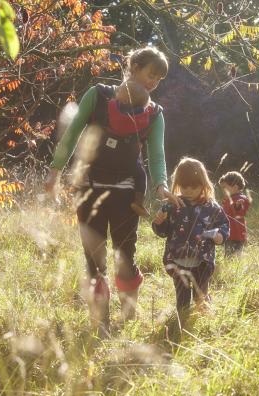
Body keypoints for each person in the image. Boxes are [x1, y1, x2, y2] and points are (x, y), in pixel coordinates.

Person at [44, 47, 182, 336]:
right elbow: (71, 135)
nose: (153, 82)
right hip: (88, 189)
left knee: (125, 256)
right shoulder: (98, 96)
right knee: (94, 258)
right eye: (151, 74)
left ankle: (128, 310)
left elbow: (156, 156)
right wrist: (55, 172)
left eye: (159, 79)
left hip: (126, 194)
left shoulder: (154, 114)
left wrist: (161, 187)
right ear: (133, 67)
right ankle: (101, 321)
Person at [152, 157, 229, 316]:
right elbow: (163, 232)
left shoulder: (212, 207)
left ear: (203, 184)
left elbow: (224, 225)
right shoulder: (173, 205)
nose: (189, 190)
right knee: (182, 299)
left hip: (202, 261)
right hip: (177, 260)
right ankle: (181, 323)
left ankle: (204, 319)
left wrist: (220, 236)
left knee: (200, 296)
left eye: (194, 186)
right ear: (178, 184)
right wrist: (159, 222)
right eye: (184, 186)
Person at [113, 80, 151, 217]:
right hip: (129, 159)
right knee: (141, 175)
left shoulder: (115, 109)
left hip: (110, 153)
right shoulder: (139, 114)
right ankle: (138, 202)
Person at [218, 171, 250, 255]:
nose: (223, 190)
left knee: (234, 256)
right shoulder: (228, 199)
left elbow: (240, 211)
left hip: (236, 234)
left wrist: (237, 206)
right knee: (228, 255)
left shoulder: (241, 199)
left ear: (235, 187)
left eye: (225, 187)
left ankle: (236, 267)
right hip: (229, 233)